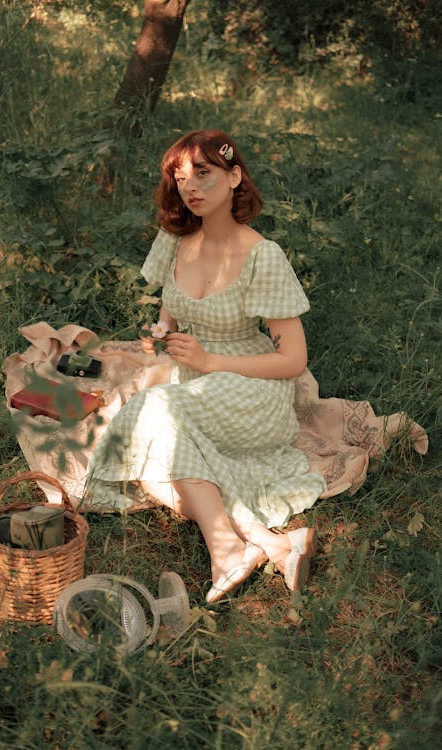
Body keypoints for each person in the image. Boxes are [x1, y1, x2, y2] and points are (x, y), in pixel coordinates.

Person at [86, 129, 327, 603]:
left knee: (151, 417)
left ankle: (224, 548)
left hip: (252, 385)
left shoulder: (263, 256)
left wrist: (209, 360)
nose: (190, 186)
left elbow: (293, 360)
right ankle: (267, 541)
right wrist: (158, 339)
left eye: (203, 173)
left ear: (234, 176)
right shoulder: (175, 241)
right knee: (138, 447)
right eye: (180, 178)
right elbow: (169, 315)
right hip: (190, 375)